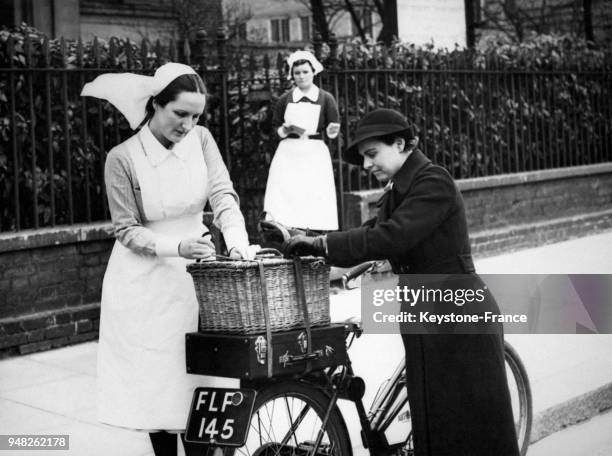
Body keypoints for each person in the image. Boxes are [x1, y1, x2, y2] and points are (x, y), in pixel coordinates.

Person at [284, 108, 520, 456]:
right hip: (427, 311)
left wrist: (322, 245)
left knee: (472, 427)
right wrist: (315, 240)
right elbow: (371, 234)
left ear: (400, 143)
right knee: (434, 424)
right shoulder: (400, 189)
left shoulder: (432, 181)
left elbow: (390, 237)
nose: (366, 166)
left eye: (372, 155)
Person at [81, 63, 254, 456]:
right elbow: (125, 229)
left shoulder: (203, 140)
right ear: (156, 105)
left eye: (196, 116)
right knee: (159, 383)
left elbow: (222, 195)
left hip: (198, 278)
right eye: (180, 114)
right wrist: (176, 247)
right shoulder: (122, 158)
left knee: (203, 380)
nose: (188, 125)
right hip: (145, 280)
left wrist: (239, 241)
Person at [263, 50, 341, 231]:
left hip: (314, 151)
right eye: (297, 73)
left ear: (313, 72)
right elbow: (274, 127)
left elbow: (334, 126)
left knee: (313, 192)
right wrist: (284, 130)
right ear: (292, 75)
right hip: (289, 151)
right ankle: (287, 232)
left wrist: (332, 131)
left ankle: (315, 233)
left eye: (305, 72)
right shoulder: (285, 99)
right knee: (288, 192)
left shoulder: (325, 98)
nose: (301, 76)